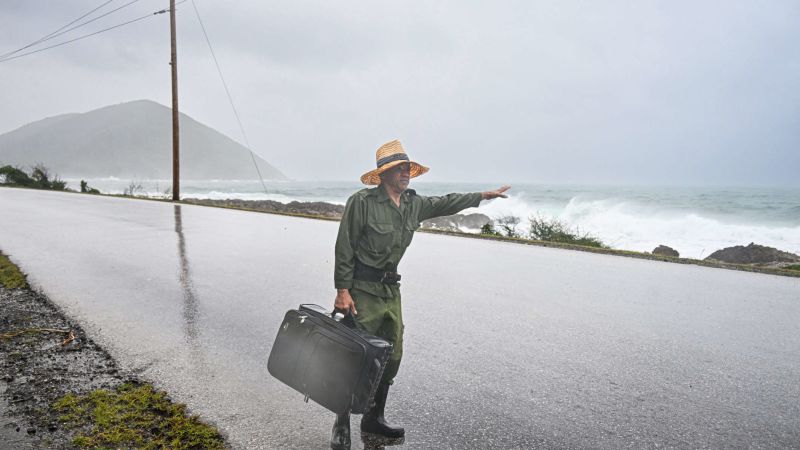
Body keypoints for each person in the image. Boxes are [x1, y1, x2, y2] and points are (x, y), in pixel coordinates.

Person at [331, 139, 510, 449]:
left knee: (391, 353)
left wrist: (481, 196)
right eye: (399, 168)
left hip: (390, 290)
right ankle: (342, 420)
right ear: (384, 174)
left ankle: (374, 417)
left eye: (407, 168)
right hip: (362, 288)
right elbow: (345, 246)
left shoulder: (414, 204)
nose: (405, 173)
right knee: (357, 356)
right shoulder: (362, 202)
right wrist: (342, 290)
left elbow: (446, 202)